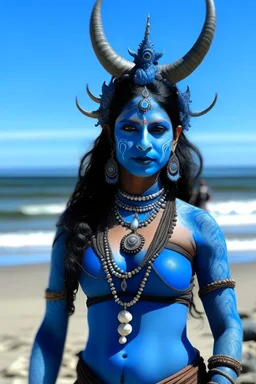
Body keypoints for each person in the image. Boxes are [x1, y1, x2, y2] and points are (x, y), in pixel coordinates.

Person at [29, 0, 243, 383]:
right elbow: (50, 332)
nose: (143, 142)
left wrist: (223, 377)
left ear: (175, 137)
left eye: (157, 130)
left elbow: (228, 325)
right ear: (110, 135)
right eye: (130, 128)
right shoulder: (78, 226)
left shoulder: (199, 227)